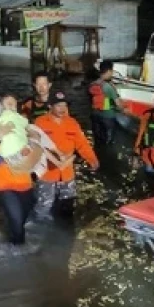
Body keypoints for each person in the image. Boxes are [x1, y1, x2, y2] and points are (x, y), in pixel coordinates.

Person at [34, 92, 99, 221]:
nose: (62, 109)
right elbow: (35, 147)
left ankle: (65, 234)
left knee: (67, 209)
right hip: (47, 174)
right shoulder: (40, 122)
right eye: (58, 105)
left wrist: (93, 160)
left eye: (64, 105)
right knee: (43, 209)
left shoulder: (72, 123)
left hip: (67, 174)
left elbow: (82, 144)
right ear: (50, 106)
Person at [0, 96, 74, 177]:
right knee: (33, 131)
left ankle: (57, 159)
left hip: (13, 164)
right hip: (17, 165)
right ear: (1, 108)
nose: (13, 108)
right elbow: (25, 123)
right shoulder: (9, 117)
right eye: (9, 105)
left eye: (15, 105)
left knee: (33, 137)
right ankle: (58, 157)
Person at [89, 60, 125, 145]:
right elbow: (118, 105)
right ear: (108, 71)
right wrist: (123, 109)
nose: (112, 73)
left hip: (95, 115)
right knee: (108, 140)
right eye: (112, 71)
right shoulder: (108, 87)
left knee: (97, 139)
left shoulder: (93, 84)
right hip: (108, 117)